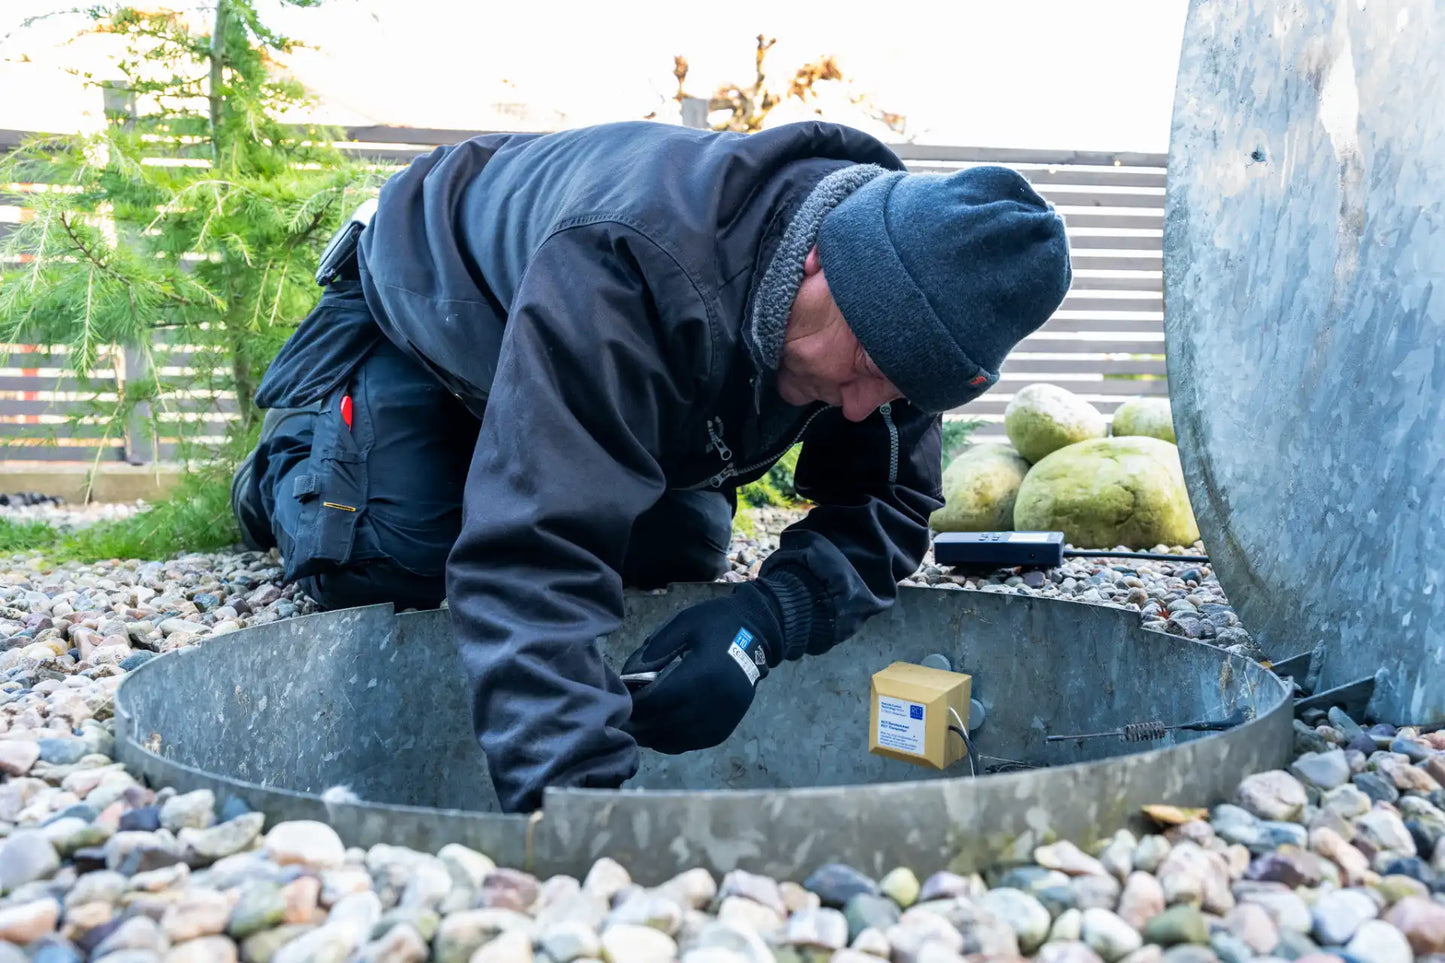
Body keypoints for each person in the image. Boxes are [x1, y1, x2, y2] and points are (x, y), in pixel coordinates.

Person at [231, 119, 1072, 813]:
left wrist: (766, 621)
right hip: (432, 306)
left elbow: (888, 502)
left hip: (600, 363)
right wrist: (584, 816)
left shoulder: (911, 297)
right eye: (862, 367)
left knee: (669, 567)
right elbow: (535, 555)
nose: (858, 407)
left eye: (890, 389)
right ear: (821, 261)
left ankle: (479, 462)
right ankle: (292, 466)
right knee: (396, 552)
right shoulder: (626, 264)